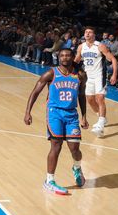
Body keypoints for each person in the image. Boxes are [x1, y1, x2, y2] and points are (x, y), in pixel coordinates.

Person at [24, 47, 88, 195]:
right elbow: (35, 92)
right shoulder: (51, 73)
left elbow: (82, 96)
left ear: (72, 57)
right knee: (56, 145)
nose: (64, 58)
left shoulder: (80, 76)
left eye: (67, 55)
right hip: (55, 113)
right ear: (59, 58)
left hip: (72, 114)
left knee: (75, 149)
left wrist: (84, 116)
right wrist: (28, 112)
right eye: (62, 56)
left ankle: (77, 168)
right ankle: (49, 180)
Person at [74, 26, 117, 137]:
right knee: (90, 100)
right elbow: (76, 61)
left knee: (100, 98)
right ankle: (102, 117)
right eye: (86, 32)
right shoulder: (81, 47)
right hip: (88, 77)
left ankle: (100, 125)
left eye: (90, 32)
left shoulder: (100, 46)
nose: (87, 34)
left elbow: (113, 59)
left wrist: (114, 75)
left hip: (99, 76)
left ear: (94, 35)